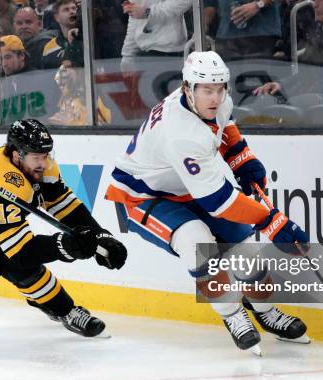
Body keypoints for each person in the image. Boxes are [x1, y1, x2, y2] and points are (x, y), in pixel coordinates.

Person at [105, 51, 310, 353]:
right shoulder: (180, 133)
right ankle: (232, 314)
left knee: (246, 249)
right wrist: (272, 221)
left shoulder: (215, 99)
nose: (215, 97)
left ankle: (266, 312)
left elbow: (225, 126)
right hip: (143, 196)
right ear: (188, 88)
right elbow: (219, 201)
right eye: (207, 90)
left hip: (187, 187)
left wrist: (242, 157)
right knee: (197, 242)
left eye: (220, 88)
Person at [0, 119, 127, 337]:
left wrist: (102, 236)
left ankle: (45, 300)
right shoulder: (2, 181)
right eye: (36, 157)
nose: (43, 163)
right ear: (17, 154)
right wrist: (65, 247)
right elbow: (21, 253)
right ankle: (66, 311)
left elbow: (66, 207)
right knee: (17, 266)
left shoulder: (39, 166)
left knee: (21, 262)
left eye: (46, 155)